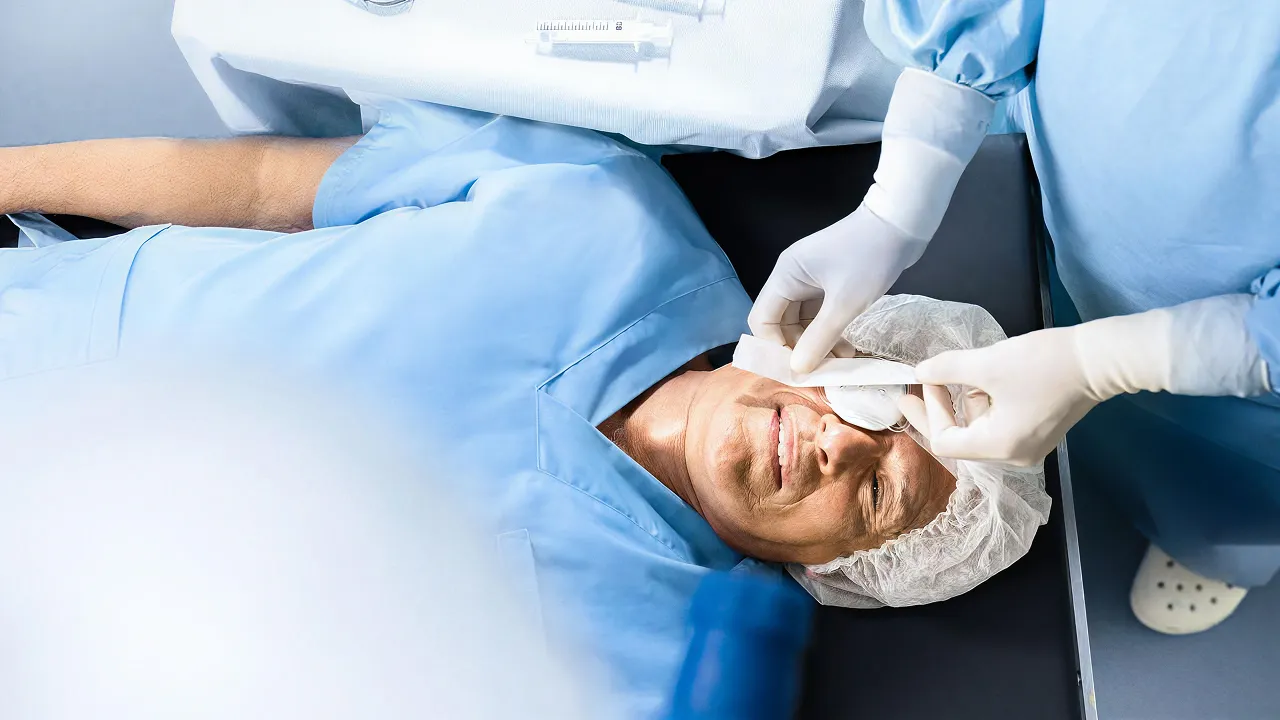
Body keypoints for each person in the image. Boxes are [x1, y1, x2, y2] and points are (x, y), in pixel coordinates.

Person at [0, 96, 1046, 716]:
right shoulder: (601, 209)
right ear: (849, 329)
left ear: (841, 570)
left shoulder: (642, 670)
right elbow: (273, 181)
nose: (837, 445)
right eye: (874, 398)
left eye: (875, 496)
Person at [749, 0, 1280, 634]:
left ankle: (1219, 546)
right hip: (1080, 181)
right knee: (1113, 420)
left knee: (1231, 474)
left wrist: (1104, 363)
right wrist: (898, 201)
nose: (845, 434)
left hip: (1252, 362)